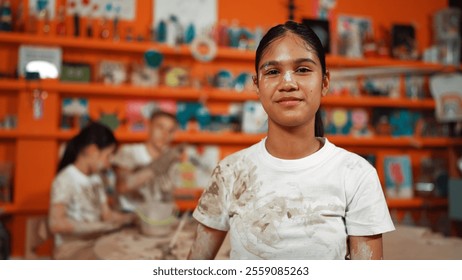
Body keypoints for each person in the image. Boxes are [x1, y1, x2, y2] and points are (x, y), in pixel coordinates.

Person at [188, 21, 395, 260]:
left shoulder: (356, 174)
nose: (288, 83)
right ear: (257, 84)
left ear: (325, 83)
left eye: (303, 70)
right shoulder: (230, 172)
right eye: (273, 72)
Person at [48, 122, 134, 260]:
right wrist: (99, 227)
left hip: (95, 243)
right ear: (92, 150)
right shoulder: (65, 179)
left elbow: (106, 215)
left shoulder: (96, 179)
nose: (109, 162)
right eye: (108, 155)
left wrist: (131, 218)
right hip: (70, 248)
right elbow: (56, 224)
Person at [112, 110, 182, 212]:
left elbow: (169, 196)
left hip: (156, 218)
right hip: (129, 215)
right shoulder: (129, 152)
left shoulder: (172, 160)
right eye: (160, 127)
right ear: (149, 126)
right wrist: (159, 165)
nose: (165, 134)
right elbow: (122, 186)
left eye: (170, 131)